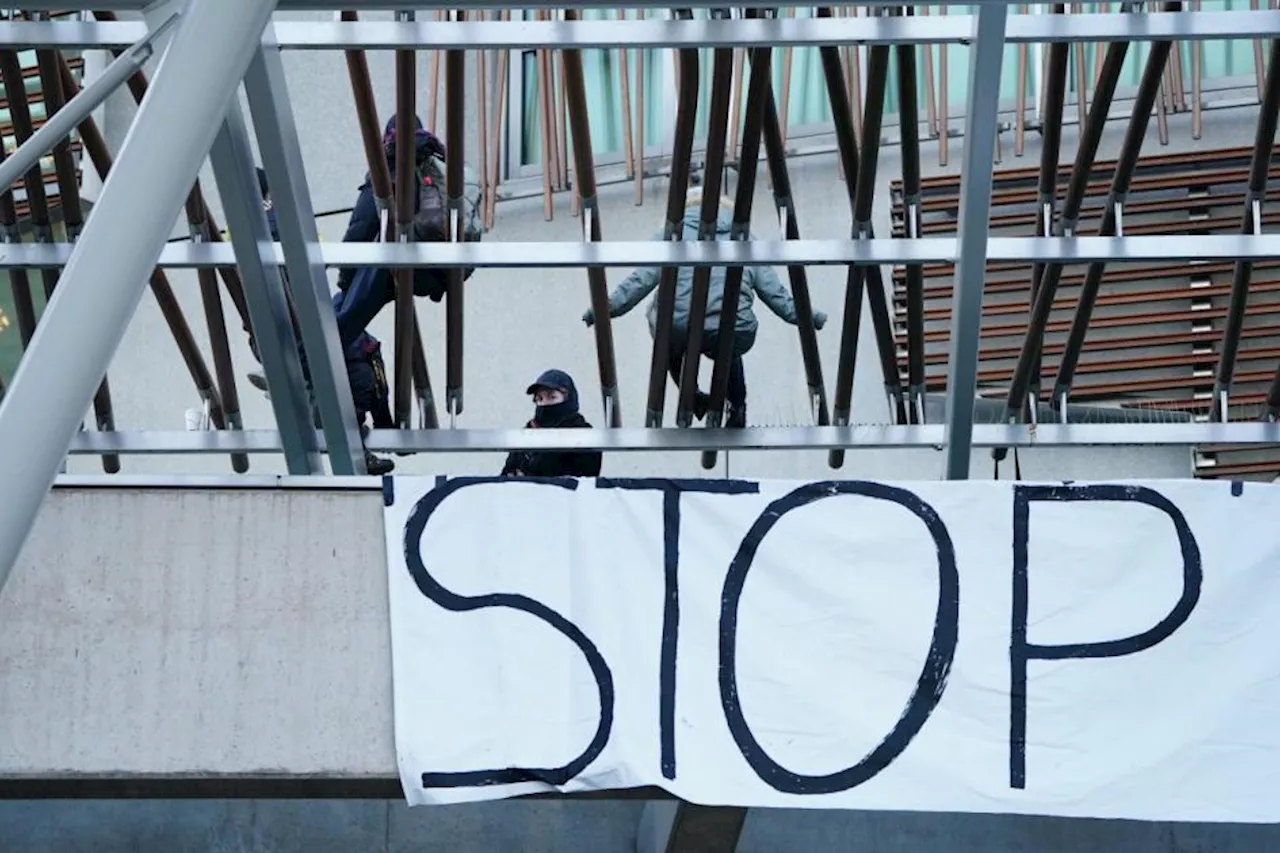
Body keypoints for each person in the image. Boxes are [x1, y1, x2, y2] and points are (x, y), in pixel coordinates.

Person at [582, 188, 828, 428]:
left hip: (678, 326)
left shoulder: (669, 236)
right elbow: (776, 293)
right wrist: (810, 317)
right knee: (729, 338)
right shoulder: (746, 239)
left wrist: (602, 310)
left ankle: (693, 397)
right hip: (733, 328)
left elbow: (638, 283)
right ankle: (738, 406)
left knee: (666, 336)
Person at [246, 169, 396, 476]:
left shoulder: (242, 226)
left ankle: (302, 393)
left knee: (334, 358)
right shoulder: (281, 219)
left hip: (270, 329)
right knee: (349, 351)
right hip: (302, 321)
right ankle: (351, 430)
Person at [333, 115, 483, 351]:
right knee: (344, 313)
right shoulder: (440, 163)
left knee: (343, 310)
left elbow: (361, 228)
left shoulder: (389, 168)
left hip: (408, 264)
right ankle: (308, 358)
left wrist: (344, 278)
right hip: (444, 271)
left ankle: (302, 361)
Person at [501, 369, 603, 478]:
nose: (544, 403)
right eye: (539, 399)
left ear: (568, 399)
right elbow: (506, 478)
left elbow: (579, 478)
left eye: (552, 397)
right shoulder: (526, 435)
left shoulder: (583, 435)